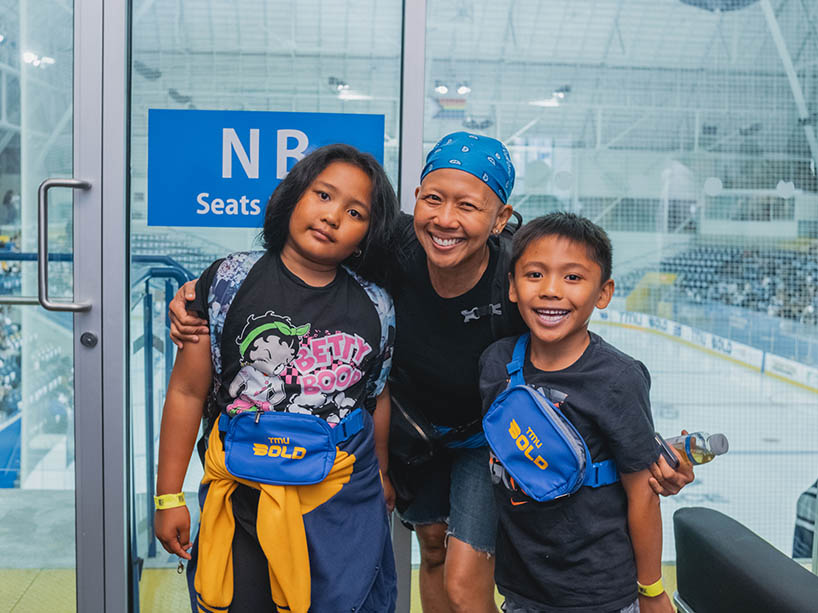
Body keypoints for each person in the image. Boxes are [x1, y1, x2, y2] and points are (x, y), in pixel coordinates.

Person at [169, 132, 694, 613]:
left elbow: (579, 355)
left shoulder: (517, 276)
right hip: (412, 434)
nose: (446, 220)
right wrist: (197, 294)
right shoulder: (389, 245)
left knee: (466, 580)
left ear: (499, 218)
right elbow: (301, 274)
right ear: (416, 198)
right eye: (433, 199)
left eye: (469, 206)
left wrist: (645, 453)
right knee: (434, 552)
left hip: (482, 441)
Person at [155, 144, 399, 613]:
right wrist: (169, 496)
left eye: (354, 211)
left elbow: (376, 398)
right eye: (323, 195)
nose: (332, 216)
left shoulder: (378, 305)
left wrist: (384, 473)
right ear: (292, 197)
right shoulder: (228, 279)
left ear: (367, 235)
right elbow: (187, 391)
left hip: (338, 501)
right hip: (245, 490)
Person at [478, 212, 672, 613]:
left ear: (603, 292)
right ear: (512, 287)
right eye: (534, 275)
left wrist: (651, 590)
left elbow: (644, 495)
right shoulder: (495, 363)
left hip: (599, 592)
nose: (551, 291)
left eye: (572, 277)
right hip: (521, 589)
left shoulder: (618, 379)